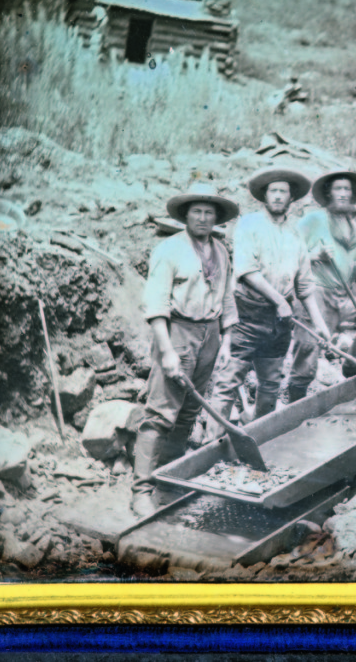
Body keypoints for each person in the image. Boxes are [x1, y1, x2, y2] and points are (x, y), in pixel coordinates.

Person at [133, 183, 239, 517]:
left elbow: (226, 298)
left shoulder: (221, 250)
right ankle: (141, 490)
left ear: (217, 218)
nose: (203, 218)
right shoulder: (169, 249)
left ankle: (170, 477)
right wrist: (166, 351)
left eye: (209, 213)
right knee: (161, 413)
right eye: (197, 212)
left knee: (189, 412)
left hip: (210, 334)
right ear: (186, 215)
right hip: (178, 331)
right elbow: (157, 303)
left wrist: (227, 343)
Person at [207, 168, 332, 431]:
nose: (277, 196)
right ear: (264, 195)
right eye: (273, 191)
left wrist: (320, 324)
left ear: (291, 197)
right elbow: (246, 270)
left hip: (279, 322)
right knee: (228, 380)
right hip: (248, 314)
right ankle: (209, 447)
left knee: (271, 382)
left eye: (283, 192)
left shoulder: (295, 232)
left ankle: (260, 436)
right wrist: (279, 301)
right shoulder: (249, 224)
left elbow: (305, 284)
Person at [288, 170, 356, 401]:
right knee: (309, 351)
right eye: (338, 188)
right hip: (315, 294)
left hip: (344, 295)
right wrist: (315, 255)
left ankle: (353, 362)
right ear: (328, 193)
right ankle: (296, 399)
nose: (343, 194)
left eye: (347, 189)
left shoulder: (355, 228)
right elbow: (287, 258)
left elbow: (352, 271)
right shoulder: (313, 220)